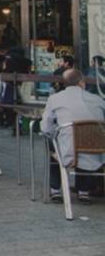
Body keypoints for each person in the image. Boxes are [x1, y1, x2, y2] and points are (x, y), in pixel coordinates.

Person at [41, 69, 105, 204]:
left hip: (68, 153)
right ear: (82, 82)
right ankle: (84, 190)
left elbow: (45, 128)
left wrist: (57, 134)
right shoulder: (98, 99)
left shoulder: (54, 99)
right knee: (86, 144)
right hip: (98, 153)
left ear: (64, 84)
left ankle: (55, 189)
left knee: (51, 142)